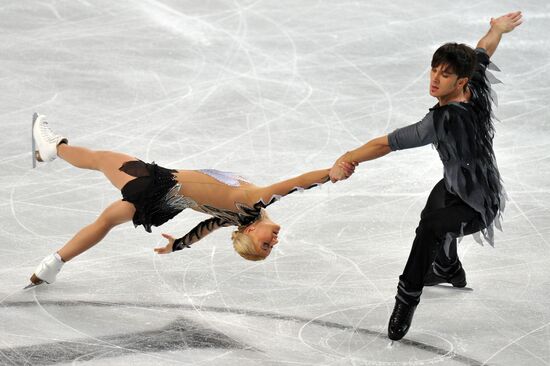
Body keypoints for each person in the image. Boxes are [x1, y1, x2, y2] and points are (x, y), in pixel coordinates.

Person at [329, 11, 522, 340]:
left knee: (431, 227)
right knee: (433, 212)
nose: (434, 78)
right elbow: (483, 50)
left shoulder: (443, 120)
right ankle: (447, 267)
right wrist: (495, 29)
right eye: (434, 69)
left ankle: (406, 299)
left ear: (460, 81)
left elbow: (387, 143)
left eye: (445, 75)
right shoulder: (472, 83)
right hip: (455, 186)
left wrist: (349, 158)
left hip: (479, 204)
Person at [28, 114, 357, 287]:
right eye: (270, 247)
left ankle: (53, 146)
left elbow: (296, 184)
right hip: (162, 207)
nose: (273, 241)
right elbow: (207, 226)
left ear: (248, 233)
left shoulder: (251, 203)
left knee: (100, 160)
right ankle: (50, 266)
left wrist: (330, 173)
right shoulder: (237, 217)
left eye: (265, 246)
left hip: (156, 183)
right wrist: (179, 245)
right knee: (105, 222)